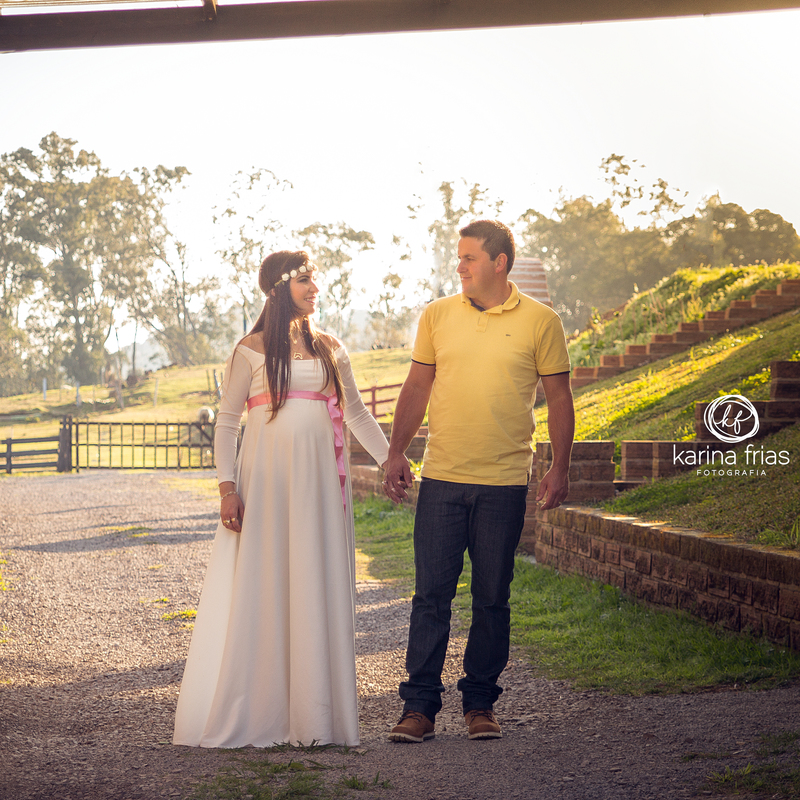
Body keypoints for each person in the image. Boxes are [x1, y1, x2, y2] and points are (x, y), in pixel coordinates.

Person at [172, 250, 392, 748]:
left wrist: (391, 460)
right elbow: (227, 422)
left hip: (318, 485)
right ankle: (262, 711)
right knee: (268, 582)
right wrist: (227, 487)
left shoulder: (331, 347)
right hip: (266, 486)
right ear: (278, 287)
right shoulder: (249, 350)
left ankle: (316, 720)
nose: (315, 288)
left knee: (314, 580)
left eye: (316, 280)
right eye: (305, 281)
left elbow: (355, 414)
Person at [382, 220, 575, 743]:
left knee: (492, 596)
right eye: (459, 257)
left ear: (499, 262)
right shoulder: (438, 315)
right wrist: (396, 452)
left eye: (468, 257)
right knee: (431, 597)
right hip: (442, 478)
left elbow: (559, 398)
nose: (459, 266)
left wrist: (559, 466)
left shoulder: (542, 321)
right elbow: (418, 384)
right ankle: (418, 709)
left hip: (505, 483)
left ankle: (480, 705)